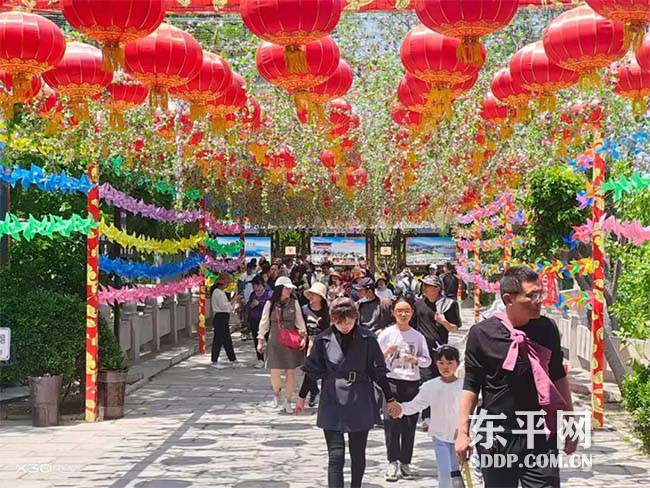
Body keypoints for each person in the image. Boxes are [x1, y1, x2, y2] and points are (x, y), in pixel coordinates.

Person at [455, 266, 577, 488]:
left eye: (540, 293)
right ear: (508, 299)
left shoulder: (546, 329)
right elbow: (471, 386)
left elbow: (558, 377)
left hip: (539, 432)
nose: (539, 300)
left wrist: (570, 423)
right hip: (496, 436)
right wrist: (462, 432)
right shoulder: (482, 334)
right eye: (531, 295)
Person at [295, 297, 400, 488]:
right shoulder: (323, 339)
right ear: (332, 319)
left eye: (349, 322)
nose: (344, 326)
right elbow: (312, 370)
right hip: (332, 397)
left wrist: (390, 399)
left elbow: (379, 372)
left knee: (357, 453)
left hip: (359, 397)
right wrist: (301, 397)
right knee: (336, 455)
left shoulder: (368, 339)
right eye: (339, 322)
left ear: (356, 318)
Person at [390, 345, 463, 488]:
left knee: (456, 471)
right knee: (444, 472)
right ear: (436, 364)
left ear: (457, 364)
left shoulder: (465, 386)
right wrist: (401, 409)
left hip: (459, 436)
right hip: (439, 435)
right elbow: (417, 404)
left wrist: (467, 432)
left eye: (449, 363)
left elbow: (473, 411)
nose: (445, 367)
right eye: (441, 363)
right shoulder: (430, 386)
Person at [378, 297, 432, 481]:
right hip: (391, 382)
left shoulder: (418, 336)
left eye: (407, 310)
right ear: (393, 312)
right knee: (392, 423)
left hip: (411, 383)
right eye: (399, 310)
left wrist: (415, 360)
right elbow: (375, 361)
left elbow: (427, 360)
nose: (403, 314)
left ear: (412, 313)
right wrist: (387, 353)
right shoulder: (386, 334)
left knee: (409, 424)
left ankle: (405, 462)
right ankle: (392, 462)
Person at [412, 275, 462, 427]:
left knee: (441, 381)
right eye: (424, 286)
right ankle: (427, 417)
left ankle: (440, 413)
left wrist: (443, 321)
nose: (426, 289)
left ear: (437, 288)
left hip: (441, 350)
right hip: (423, 349)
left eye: (429, 286)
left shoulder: (448, 305)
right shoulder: (418, 304)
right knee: (426, 381)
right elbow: (413, 327)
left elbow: (454, 328)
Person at [257, 276, 307, 413]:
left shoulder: (294, 303)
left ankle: (288, 400)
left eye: (290, 288)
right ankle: (276, 393)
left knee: (291, 371)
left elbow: (300, 321)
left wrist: (303, 337)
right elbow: (264, 322)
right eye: (286, 288)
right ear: (280, 289)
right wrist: (260, 339)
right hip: (275, 340)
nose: (289, 290)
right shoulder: (270, 304)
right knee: (275, 371)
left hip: (291, 340)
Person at [302, 282, 330, 407]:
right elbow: (299, 325)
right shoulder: (304, 309)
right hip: (308, 342)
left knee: (326, 371)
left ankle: (326, 396)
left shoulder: (328, 311)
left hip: (325, 344)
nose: (312, 296)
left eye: (315, 294)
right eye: (311, 294)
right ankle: (313, 391)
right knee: (309, 369)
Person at [210, 273, 244, 369]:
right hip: (220, 316)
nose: (228, 285)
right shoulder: (217, 292)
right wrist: (234, 300)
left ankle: (232, 359)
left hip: (224, 317)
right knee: (218, 339)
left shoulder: (221, 292)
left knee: (226, 339)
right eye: (227, 283)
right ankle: (214, 360)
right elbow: (225, 307)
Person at [247, 275, 272, 369]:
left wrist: (260, 303)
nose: (254, 287)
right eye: (253, 285)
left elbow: (272, 305)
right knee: (257, 339)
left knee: (269, 339)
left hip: (266, 320)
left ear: (261, 285)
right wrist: (251, 305)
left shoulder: (269, 293)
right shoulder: (253, 295)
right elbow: (249, 306)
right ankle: (260, 359)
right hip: (255, 319)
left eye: (255, 285)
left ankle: (271, 358)